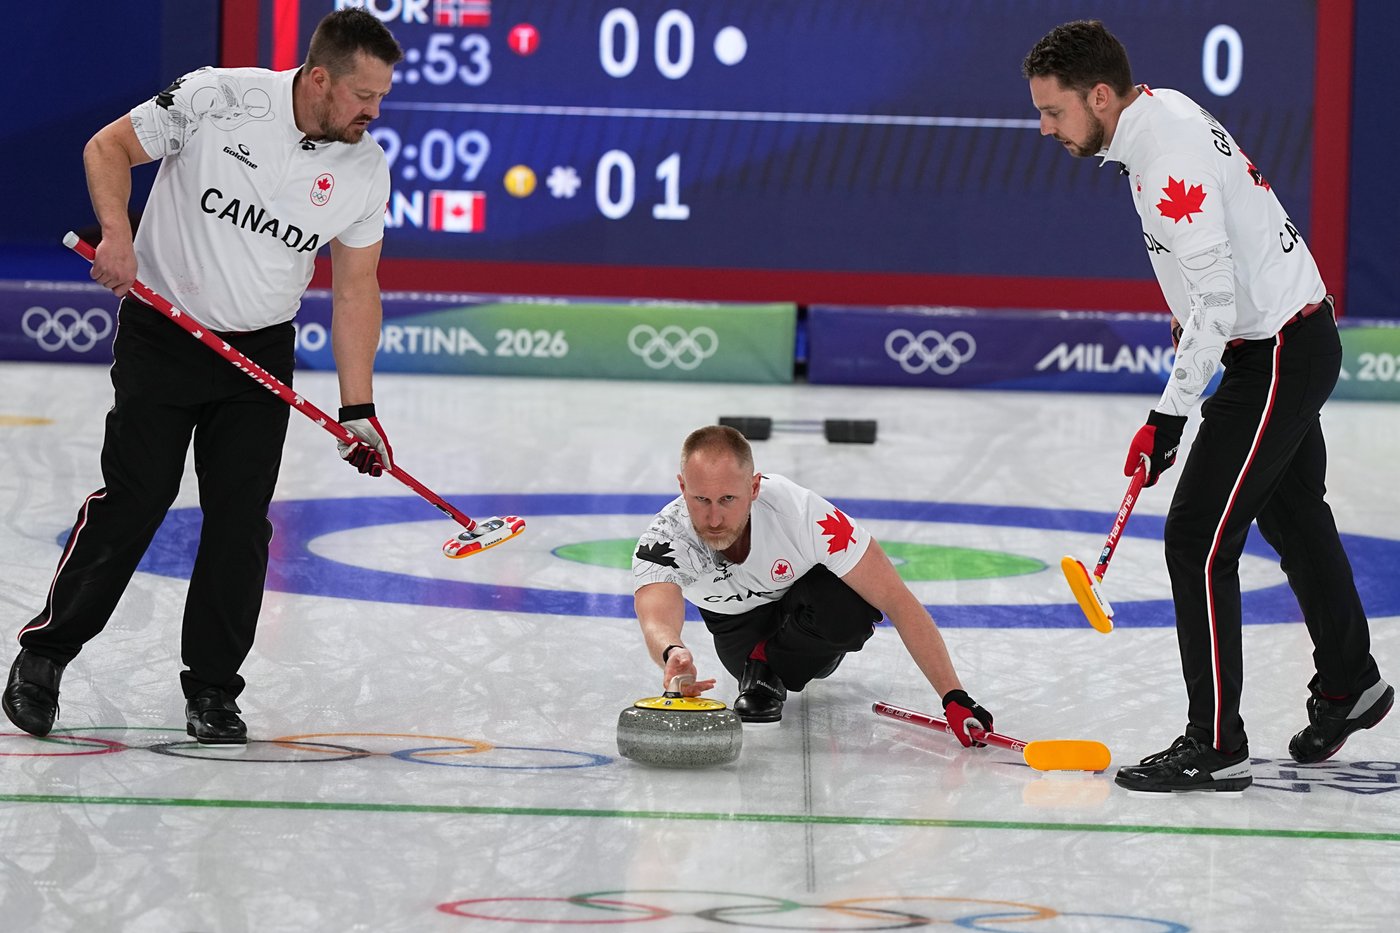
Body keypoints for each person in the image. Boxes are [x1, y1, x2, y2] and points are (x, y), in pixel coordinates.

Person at [2, 10, 404, 746]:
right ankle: (45, 655)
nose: (374, 112)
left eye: (380, 97)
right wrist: (117, 236)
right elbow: (107, 147)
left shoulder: (364, 168)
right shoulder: (217, 97)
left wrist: (359, 408)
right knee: (137, 497)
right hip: (166, 334)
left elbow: (356, 289)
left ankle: (214, 689)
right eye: (364, 95)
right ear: (320, 79)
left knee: (240, 521)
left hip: (259, 356)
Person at [1023, 20, 1390, 792]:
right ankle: (1350, 682)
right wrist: (1186, 339)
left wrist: (1168, 417)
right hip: (1291, 338)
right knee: (1295, 516)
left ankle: (1216, 742)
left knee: (1196, 538)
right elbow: (1206, 275)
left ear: (1099, 95)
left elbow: (1217, 305)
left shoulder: (1166, 160)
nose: (1045, 127)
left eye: (1054, 111)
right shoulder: (1159, 113)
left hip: (1275, 354)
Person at [630, 425, 994, 746]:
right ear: (682, 487)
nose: (714, 518)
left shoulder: (803, 515)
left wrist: (954, 696)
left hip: (809, 614)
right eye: (701, 499)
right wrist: (672, 652)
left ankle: (772, 663)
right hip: (739, 634)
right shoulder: (666, 538)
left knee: (851, 607)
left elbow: (896, 599)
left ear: (754, 487)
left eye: (728, 499)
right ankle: (761, 667)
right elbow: (656, 616)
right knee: (751, 651)